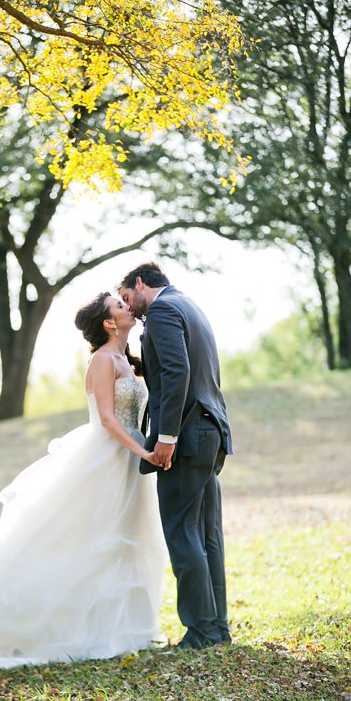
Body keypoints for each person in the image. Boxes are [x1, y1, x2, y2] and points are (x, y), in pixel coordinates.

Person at [0, 293, 167, 673]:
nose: (127, 307)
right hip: (108, 457)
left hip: (130, 461)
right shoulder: (101, 360)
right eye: (119, 305)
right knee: (92, 539)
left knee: (126, 539)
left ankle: (120, 630)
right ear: (108, 322)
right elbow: (107, 419)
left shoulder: (129, 362)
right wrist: (144, 451)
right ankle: (67, 630)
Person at [119, 260, 232, 649]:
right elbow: (177, 369)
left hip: (185, 436)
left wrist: (165, 437)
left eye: (126, 297)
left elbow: (178, 371)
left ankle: (200, 632)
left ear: (139, 283)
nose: (128, 306)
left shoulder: (163, 309)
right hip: (210, 431)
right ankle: (216, 628)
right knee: (207, 535)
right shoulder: (189, 305)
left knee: (182, 532)